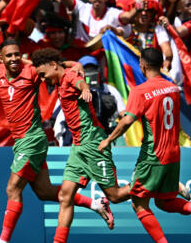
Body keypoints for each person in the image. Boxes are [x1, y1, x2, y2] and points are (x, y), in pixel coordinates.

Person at [0, 40, 113, 243]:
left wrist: (76, 65)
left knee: (12, 188)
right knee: (44, 192)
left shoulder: (32, 73)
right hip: (20, 141)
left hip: (33, 138)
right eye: (9, 55)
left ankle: (3, 240)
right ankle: (95, 204)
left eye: (17, 54)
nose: (14, 59)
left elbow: (57, 65)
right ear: (2, 57)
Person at [98, 48, 191, 242]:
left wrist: (108, 139)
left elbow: (127, 121)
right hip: (173, 153)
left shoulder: (140, 91)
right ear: (161, 64)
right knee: (164, 203)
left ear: (142, 65)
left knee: (138, 204)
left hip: (153, 155)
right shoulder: (172, 87)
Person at [31, 48, 135, 242]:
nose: (43, 80)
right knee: (65, 196)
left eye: (43, 75)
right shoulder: (63, 73)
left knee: (116, 195)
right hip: (78, 148)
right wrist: (74, 63)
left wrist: (85, 89)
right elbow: (67, 65)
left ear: (53, 66)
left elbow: (79, 82)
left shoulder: (70, 77)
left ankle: (156, 183)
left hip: (94, 144)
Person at [51, 0, 130, 42]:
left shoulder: (113, 13)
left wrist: (113, 30)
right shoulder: (82, 8)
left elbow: (128, 17)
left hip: (106, 52)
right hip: (83, 53)